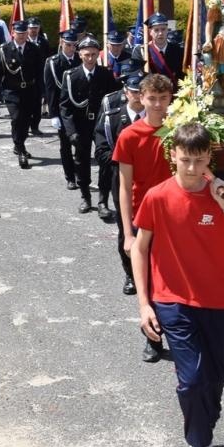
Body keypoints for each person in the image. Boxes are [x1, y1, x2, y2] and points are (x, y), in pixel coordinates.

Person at [132, 122, 224, 447]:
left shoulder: (220, 196)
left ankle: (205, 422)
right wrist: (144, 304)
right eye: (185, 160)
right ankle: (199, 446)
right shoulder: (157, 197)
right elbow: (140, 249)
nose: (192, 168)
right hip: (172, 301)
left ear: (209, 159)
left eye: (199, 160)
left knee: (214, 377)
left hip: (217, 302)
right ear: (173, 155)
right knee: (191, 379)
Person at [113, 72, 176, 361]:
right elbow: (124, 187)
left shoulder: (178, 131)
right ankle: (152, 336)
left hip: (175, 216)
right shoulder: (129, 136)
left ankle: (175, 330)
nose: (158, 105)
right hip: (143, 217)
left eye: (164, 99)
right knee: (147, 281)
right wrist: (127, 233)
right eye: (152, 98)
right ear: (141, 98)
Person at [96, 73, 144, 290]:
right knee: (127, 227)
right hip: (122, 179)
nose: (137, 96)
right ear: (126, 92)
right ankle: (131, 274)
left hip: (150, 180)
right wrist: (123, 162)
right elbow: (101, 149)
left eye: (141, 92)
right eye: (134, 92)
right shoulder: (113, 117)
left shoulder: (157, 117)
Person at [59, 36, 117, 213]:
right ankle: (85, 196)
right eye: (86, 55)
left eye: (93, 54)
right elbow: (65, 107)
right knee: (81, 162)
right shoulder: (71, 76)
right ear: (80, 55)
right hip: (81, 125)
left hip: (100, 124)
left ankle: (103, 201)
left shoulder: (105, 74)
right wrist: (71, 132)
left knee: (105, 162)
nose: (90, 58)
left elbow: (112, 102)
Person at [0, 19, 44, 168]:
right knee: (16, 118)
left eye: (24, 33)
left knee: (24, 121)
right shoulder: (4, 49)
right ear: (13, 33)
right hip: (11, 90)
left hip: (29, 91)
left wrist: (42, 91)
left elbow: (39, 72)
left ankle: (19, 144)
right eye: (19, 33)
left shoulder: (34, 49)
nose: (23, 36)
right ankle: (21, 148)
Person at [44, 30, 83, 184]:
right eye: (68, 45)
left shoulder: (80, 60)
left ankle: (80, 173)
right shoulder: (53, 62)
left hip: (79, 107)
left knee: (81, 144)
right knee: (65, 145)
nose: (72, 48)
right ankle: (70, 177)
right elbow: (51, 90)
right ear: (61, 43)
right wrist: (53, 114)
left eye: (74, 45)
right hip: (62, 110)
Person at [138, 13, 183, 88]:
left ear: (167, 30)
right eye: (156, 30)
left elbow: (182, 75)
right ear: (150, 32)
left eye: (163, 29)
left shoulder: (178, 50)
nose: (160, 33)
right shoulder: (142, 51)